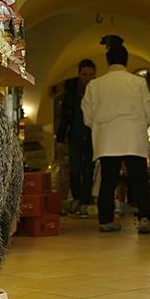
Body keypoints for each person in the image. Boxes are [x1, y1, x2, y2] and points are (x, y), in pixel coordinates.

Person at [82, 35, 150, 234]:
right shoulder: (138, 82)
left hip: (107, 137)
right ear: (126, 61)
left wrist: (99, 127)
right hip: (133, 134)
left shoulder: (95, 85)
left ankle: (106, 220)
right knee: (138, 178)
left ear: (107, 62)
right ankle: (143, 218)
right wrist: (145, 122)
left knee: (109, 179)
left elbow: (87, 115)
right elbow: (149, 110)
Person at [56, 59, 96, 217]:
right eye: (85, 74)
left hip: (92, 136)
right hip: (74, 135)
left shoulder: (96, 92)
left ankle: (85, 201)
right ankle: (78, 198)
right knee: (75, 169)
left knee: (88, 170)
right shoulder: (71, 93)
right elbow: (64, 118)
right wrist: (60, 139)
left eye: (91, 75)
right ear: (79, 74)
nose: (88, 78)